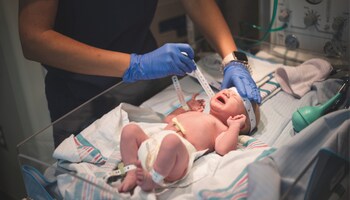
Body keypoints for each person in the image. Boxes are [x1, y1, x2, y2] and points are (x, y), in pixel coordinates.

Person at [18, 0, 260, 147]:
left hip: (145, 83)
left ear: (237, 121)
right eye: (233, 93)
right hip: (79, 91)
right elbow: (33, 38)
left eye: (238, 101)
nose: (228, 92)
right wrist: (136, 65)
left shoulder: (222, 128)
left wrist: (232, 59)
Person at [118, 88, 260, 192]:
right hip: (153, 143)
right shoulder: (198, 113)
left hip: (176, 160)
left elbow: (223, 149)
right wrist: (185, 108)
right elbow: (168, 119)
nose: (228, 92)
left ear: (242, 120)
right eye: (228, 90)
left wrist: (234, 127)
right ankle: (131, 172)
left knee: (171, 141)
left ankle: (154, 179)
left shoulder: (222, 128)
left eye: (235, 97)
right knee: (129, 129)